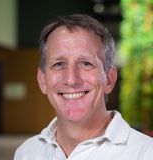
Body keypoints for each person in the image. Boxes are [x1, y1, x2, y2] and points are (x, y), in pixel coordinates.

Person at [14, 14, 153, 160]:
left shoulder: (146, 153)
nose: (71, 79)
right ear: (42, 80)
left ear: (109, 79)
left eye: (86, 64)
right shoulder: (26, 153)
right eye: (59, 64)